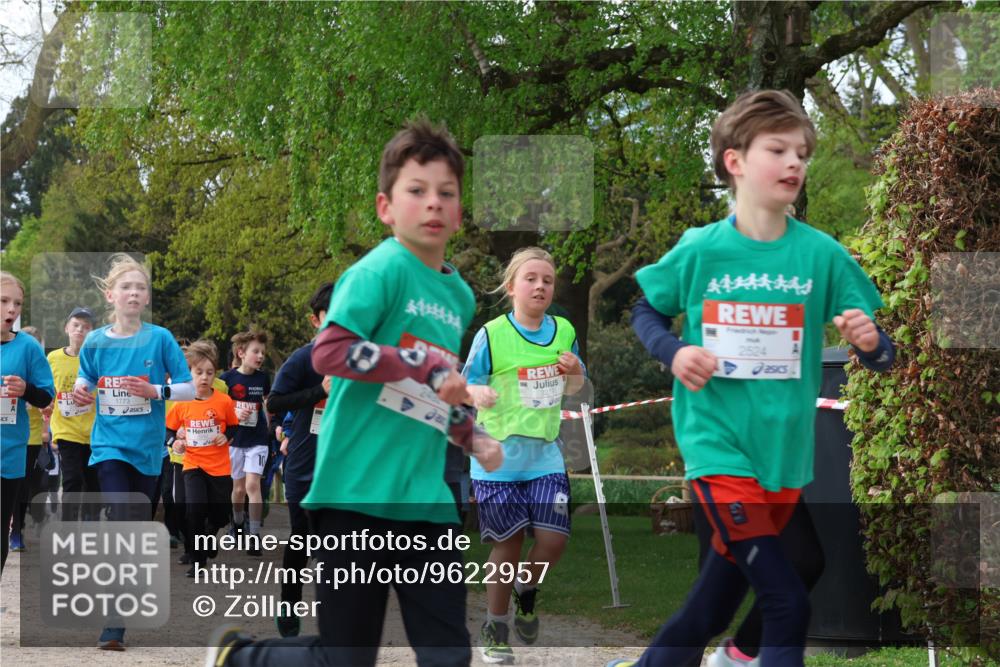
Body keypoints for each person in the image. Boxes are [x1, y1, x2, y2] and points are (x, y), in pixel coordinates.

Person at [610, 89, 896, 667]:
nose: (795, 163)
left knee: (710, 612)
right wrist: (673, 351)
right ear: (734, 161)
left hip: (783, 459)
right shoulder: (701, 249)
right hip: (718, 448)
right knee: (788, 602)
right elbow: (646, 308)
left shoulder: (821, 255)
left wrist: (870, 343)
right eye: (778, 149)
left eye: (802, 152)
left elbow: (884, 352)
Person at [205, 118, 502, 667]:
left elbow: (435, 390)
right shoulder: (378, 271)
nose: (433, 203)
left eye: (447, 193)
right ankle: (243, 657)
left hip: (425, 504)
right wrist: (420, 361)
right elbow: (330, 352)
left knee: (448, 655)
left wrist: (469, 433)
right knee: (346, 658)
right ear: (387, 207)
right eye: (417, 191)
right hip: (352, 495)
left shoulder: (459, 295)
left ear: (460, 213)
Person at [463, 247, 585, 664]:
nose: (540, 286)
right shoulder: (492, 334)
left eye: (547, 280)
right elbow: (463, 388)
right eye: (530, 278)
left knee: (553, 541)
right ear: (511, 286)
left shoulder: (565, 331)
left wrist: (574, 372)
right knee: (508, 545)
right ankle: (495, 626)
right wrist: (476, 393)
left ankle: (526, 590)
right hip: (497, 459)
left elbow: (575, 387)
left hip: (544, 456)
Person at [71, 253, 195, 650]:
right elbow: (85, 380)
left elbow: (190, 387)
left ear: (146, 297)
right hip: (108, 445)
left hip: (147, 450)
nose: (134, 292)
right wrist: (80, 392)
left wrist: (155, 391)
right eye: (127, 286)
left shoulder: (159, 338)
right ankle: (113, 625)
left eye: (141, 287)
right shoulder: (94, 341)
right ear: (111, 295)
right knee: (121, 516)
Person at [264, 281, 333, 637]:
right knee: (304, 538)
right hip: (306, 466)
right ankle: (289, 601)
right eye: (330, 315)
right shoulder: (305, 358)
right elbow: (273, 403)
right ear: (315, 320)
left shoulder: (364, 359)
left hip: (347, 469)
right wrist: (318, 392)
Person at [166, 340, 239, 577]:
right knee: (193, 510)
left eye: (209, 373)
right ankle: (198, 561)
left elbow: (235, 427)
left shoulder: (224, 401)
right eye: (199, 373)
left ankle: (209, 537)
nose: (204, 378)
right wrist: (174, 441)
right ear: (190, 373)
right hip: (193, 463)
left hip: (219, 467)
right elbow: (167, 430)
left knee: (221, 514)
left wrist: (225, 435)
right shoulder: (181, 403)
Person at [0, 271, 55, 572]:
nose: (12, 310)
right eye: (4, 301)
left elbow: (47, 397)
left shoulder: (28, 348)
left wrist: (27, 390)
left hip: (8, 454)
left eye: (17, 303)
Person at [220, 329, 271, 554]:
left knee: (253, 485)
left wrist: (273, 424)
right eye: (256, 352)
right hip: (234, 441)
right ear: (241, 353)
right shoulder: (227, 379)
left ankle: (254, 534)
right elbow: (217, 406)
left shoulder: (263, 378)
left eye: (263, 353)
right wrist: (233, 411)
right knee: (238, 490)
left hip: (258, 439)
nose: (260, 356)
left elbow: (268, 403)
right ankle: (238, 523)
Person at [47, 307, 99, 523]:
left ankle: (90, 525)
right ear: (67, 328)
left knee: (93, 483)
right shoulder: (53, 358)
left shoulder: (97, 358)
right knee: (72, 480)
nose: (80, 330)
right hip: (66, 431)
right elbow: (47, 388)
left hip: (95, 432)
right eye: (76, 325)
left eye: (86, 327)